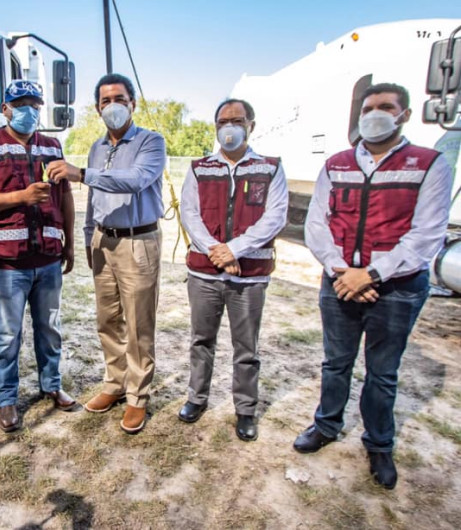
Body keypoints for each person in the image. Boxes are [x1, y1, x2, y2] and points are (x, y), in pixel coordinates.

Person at [294, 83, 453, 489]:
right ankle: (326, 425)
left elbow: (427, 233)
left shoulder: (429, 163)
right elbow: (317, 223)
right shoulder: (337, 164)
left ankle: (379, 443)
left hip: (398, 287)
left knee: (382, 372)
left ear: (405, 114)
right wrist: (340, 270)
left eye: (386, 107)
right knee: (335, 363)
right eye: (369, 107)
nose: (375, 114)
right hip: (340, 280)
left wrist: (373, 274)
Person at [46, 73, 165, 434]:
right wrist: (87, 240)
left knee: (138, 324)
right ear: (97, 108)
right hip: (103, 241)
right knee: (107, 320)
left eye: (118, 99)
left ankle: (137, 397)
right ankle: (115, 384)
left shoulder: (150, 142)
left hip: (137, 242)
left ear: (133, 103)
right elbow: (95, 199)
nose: (111, 106)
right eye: (104, 101)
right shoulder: (98, 147)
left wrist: (81, 173)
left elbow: (135, 180)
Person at [0, 80, 77, 433]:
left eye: (35, 103)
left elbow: (66, 198)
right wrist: (20, 197)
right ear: (6, 109)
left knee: (50, 327)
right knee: (7, 333)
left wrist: (69, 242)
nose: (29, 110)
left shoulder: (52, 145)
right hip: (6, 262)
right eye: (21, 103)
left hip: (47, 258)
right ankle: (7, 399)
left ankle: (52, 384)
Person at [178, 99, 288, 442]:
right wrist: (217, 252)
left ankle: (245, 409)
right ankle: (197, 398)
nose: (230, 126)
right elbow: (190, 214)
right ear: (215, 127)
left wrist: (234, 249)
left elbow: (275, 217)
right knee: (201, 341)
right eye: (223, 121)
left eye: (237, 120)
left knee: (246, 347)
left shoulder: (270, 168)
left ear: (251, 125)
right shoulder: (199, 168)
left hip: (249, 275)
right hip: (205, 275)